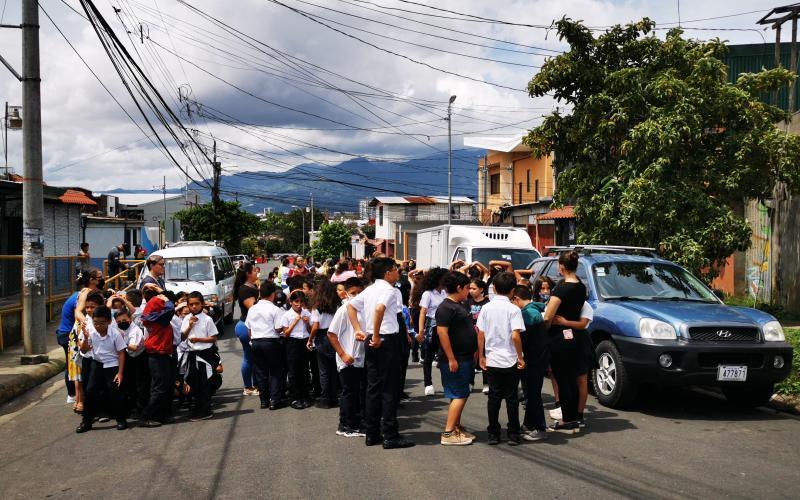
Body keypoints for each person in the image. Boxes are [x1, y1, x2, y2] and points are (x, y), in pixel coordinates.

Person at [347, 257, 415, 449]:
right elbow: (379, 309)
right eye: (395, 269)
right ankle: (390, 435)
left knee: (373, 388)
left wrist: (359, 330)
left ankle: (372, 433)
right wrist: (376, 335)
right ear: (387, 273)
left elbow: (351, 306)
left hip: (372, 339)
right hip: (385, 339)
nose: (398, 272)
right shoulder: (389, 290)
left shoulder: (369, 289)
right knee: (390, 389)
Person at [477, 271, 525, 446]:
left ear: (494, 288)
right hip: (510, 359)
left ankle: (493, 433)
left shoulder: (486, 308)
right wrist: (520, 357)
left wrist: (481, 355)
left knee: (494, 397)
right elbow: (515, 336)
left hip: (492, 358)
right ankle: (513, 433)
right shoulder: (514, 309)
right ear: (513, 290)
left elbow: (480, 334)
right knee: (512, 398)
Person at [543, 251, 586, 434]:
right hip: (575, 336)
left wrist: (542, 334)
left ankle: (567, 420)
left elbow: (548, 316)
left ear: (561, 267)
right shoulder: (581, 287)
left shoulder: (561, 288)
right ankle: (574, 417)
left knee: (563, 379)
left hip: (559, 337)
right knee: (572, 378)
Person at [436, 272, 478, 446]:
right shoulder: (446, 307)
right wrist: (451, 358)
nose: (469, 291)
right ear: (459, 288)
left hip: (465, 357)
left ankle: (456, 427)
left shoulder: (458, 305)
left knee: (460, 394)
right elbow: (442, 332)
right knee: (459, 394)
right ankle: (448, 433)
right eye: (467, 288)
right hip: (455, 359)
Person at [75, 305, 127, 433]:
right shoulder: (91, 332)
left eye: (102, 323)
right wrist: (86, 337)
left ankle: (121, 419)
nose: (98, 326)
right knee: (90, 391)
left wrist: (120, 373)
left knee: (115, 391)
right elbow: (84, 349)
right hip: (97, 364)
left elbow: (121, 353)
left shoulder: (115, 333)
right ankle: (86, 421)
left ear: (109, 322)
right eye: (95, 323)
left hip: (112, 365)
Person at [327, 277, 366, 437]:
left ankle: (355, 423)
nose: (356, 295)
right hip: (348, 359)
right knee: (349, 392)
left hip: (361, 358)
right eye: (353, 293)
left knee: (357, 393)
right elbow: (331, 334)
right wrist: (343, 354)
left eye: (359, 292)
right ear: (346, 294)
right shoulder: (344, 310)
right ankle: (346, 426)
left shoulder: (363, 309)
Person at [511, 285, 549, 442]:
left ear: (517, 299)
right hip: (539, 358)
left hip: (533, 360)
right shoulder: (536, 310)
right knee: (530, 393)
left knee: (533, 395)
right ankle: (528, 423)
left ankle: (540, 428)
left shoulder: (527, 314)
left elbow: (523, 339)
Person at [140, 285, 176, 427]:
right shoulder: (158, 318)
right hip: (157, 353)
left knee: (165, 386)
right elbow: (170, 309)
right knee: (160, 388)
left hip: (163, 353)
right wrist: (165, 299)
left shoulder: (155, 316)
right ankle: (146, 416)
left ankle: (162, 414)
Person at [246, 281, 285, 410]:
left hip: (256, 342)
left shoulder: (252, 308)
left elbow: (248, 328)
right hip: (271, 342)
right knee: (275, 371)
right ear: (273, 294)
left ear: (260, 293)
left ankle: (263, 400)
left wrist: (252, 339)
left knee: (261, 372)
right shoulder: (275, 309)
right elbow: (279, 328)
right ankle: (274, 400)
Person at [181, 292, 219, 421]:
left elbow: (213, 338)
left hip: (205, 355)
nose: (194, 306)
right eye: (191, 304)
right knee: (193, 383)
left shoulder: (207, 319)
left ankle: (205, 410)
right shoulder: (186, 319)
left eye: (197, 304)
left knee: (205, 383)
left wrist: (199, 340)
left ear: (202, 304)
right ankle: (197, 408)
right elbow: (182, 337)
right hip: (192, 354)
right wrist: (190, 326)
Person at [309, 280, 342, 409]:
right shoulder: (337, 304)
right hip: (335, 335)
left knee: (324, 371)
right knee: (334, 369)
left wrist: (310, 339)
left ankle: (326, 399)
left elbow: (315, 326)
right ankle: (335, 397)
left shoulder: (317, 306)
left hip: (322, 337)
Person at [416, 267, 448, 396]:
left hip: (445, 325)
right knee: (428, 356)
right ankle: (428, 383)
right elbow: (423, 312)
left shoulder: (446, 292)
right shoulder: (428, 293)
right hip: (431, 325)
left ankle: (446, 383)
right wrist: (421, 330)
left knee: (444, 355)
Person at [281, 290, 313, 410]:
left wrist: (307, 323)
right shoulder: (286, 315)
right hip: (292, 343)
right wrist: (294, 322)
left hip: (304, 341)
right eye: (296, 302)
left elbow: (310, 331)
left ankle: (305, 396)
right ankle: (295, 397)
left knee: (304, 370)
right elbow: (286, 333)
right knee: (294, 371)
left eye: (301, 302)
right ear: (291, 302)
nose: (299, 305)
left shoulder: (306, 313)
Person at [234, 262, 260, 397]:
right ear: (248, 274)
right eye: (255, 271)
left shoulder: (253, 286)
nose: (257, 273)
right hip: (245, 326)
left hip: (252, 326)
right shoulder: (244, 289)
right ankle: (248, 387)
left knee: (255, 357)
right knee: (249, 357)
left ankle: (256, 384)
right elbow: (253, 309)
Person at [115, 308, 147, 416]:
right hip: (130, 358)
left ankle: (142, 409)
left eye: (124, 320)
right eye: (118, 322)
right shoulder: (124, 329)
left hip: (139, 358)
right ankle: (133, 406)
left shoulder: (135, 330)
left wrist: (120, 343)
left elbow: (133, 347)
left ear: (130, 318)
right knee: (130, 383)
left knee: (140, 384)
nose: (121, 323)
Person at [467, 278, 491, 394]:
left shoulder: (487, 303)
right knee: (472, 359)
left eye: (474, 288)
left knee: (484, 357)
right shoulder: (467, 302)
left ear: (481, 289)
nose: (471, 291)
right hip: (471, 334)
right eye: (470, 288)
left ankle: (486, 383)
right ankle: (470, 382)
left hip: (484, 334)